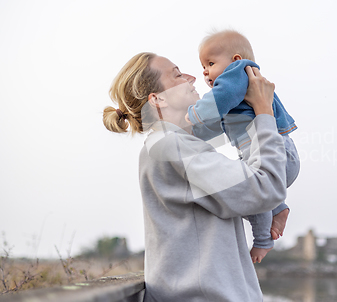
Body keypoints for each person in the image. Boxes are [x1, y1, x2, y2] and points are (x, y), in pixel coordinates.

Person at [103, 52, 288, 301]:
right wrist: (264, 112)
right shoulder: (171, 146)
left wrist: (274, 206)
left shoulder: (168, 146)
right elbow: (266, 188)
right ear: (157, 99)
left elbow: (243, 194)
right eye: (177, 75)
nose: (191, 77)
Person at [186, 30, 300, 263]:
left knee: (245, 195)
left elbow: (218, 100)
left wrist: (194, 114)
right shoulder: (237, 98)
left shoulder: (238, 73)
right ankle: (277, 207)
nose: (205, 71)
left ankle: (262, 241)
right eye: (203, 66)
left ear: (235, 60)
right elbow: (217, 125)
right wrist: (189, 132)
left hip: (275, 153)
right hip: (279, 154)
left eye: (210, 63)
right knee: (242, 192)